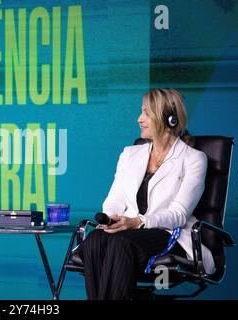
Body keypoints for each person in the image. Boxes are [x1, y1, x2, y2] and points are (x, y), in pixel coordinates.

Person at [80, 88, 214, 300]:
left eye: (146, 113)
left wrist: (137, 222)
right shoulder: (130, 154)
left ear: (169, 119)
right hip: (129, 230)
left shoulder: (194, 159)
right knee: (96, 238)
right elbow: (115, 198)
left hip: (168, 232)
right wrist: (112, 218)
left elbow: (178, 214)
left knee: (120, 243)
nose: (139, 119)